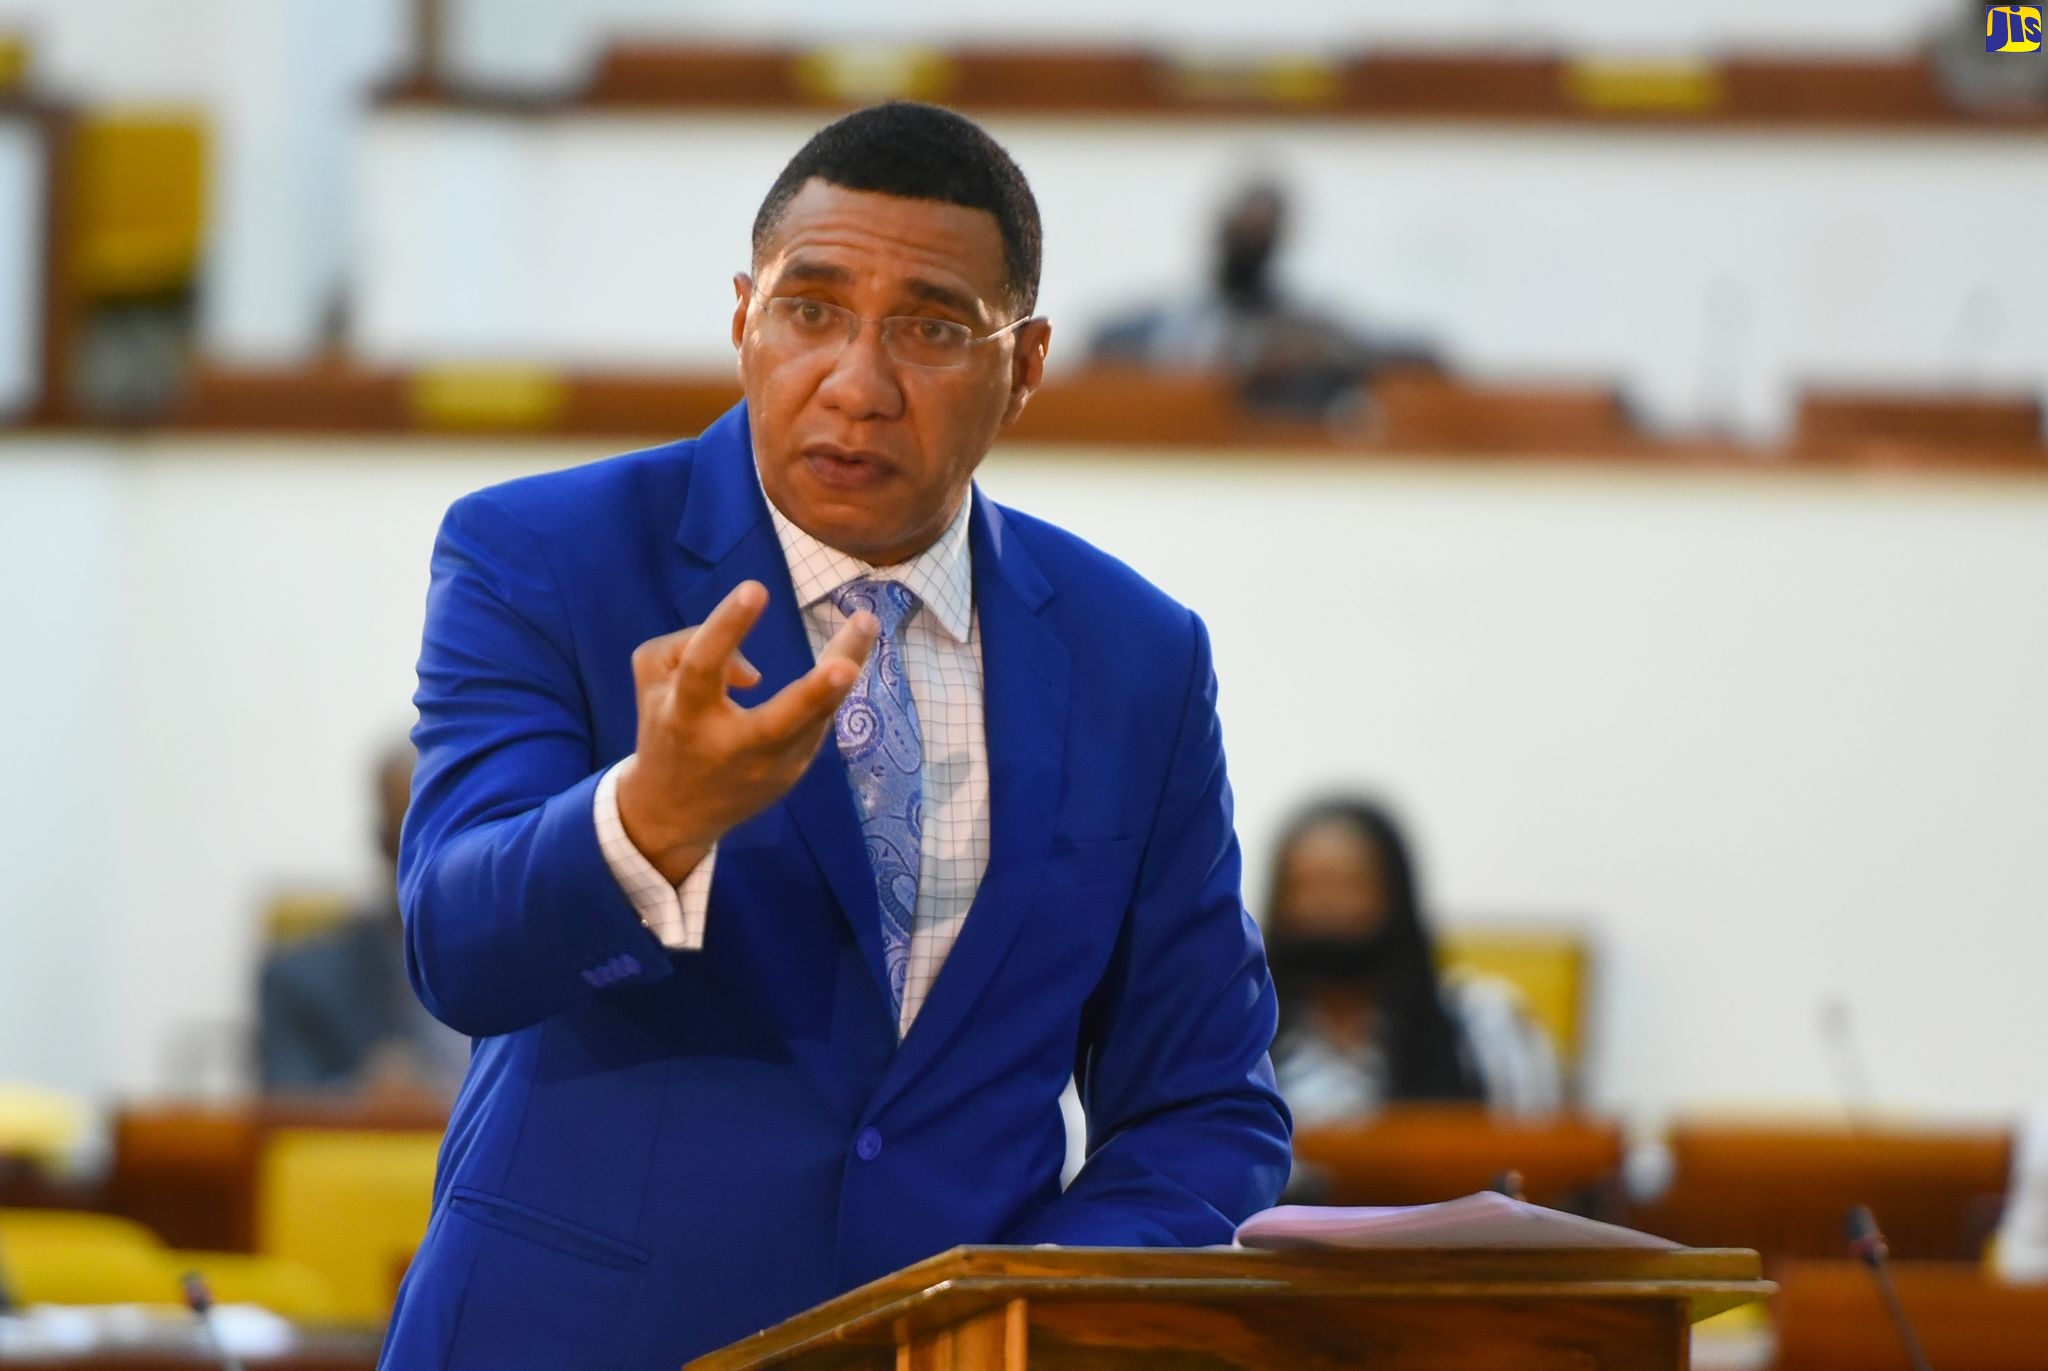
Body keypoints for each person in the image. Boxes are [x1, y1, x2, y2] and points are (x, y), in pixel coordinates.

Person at [381, 102, 1290, 1369]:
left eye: (928, 328)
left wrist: (1032, 1319)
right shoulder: (542, 555)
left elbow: (1202, 1104)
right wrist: (654, 815)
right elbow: (457, 947)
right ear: (744, 319)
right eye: (811, 310)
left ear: (1022, 367)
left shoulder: (1135, 653)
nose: (856, 385)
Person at [1263, 797, 1561, 1127]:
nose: (1324, 909)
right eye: (1303, 888)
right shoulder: (1248, 1039)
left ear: (1395, 895)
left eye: (1346, 885)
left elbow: (1535, 1148)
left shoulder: (1482, 1025)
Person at [1088, 179, 1440, 421]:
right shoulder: (1170, 322)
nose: (1248, 237)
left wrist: (1320, 352)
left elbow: (1418, 354)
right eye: (1241, 225)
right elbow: (1102, 343)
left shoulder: (1305, 329)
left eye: (1262, 230)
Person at [256, 740, 467, 1097]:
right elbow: (285, 1116)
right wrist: (359, 1096)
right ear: (383, 843)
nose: (442, 857)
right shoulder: (302, 981)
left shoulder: (549, 966)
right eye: (416, 836)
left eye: (459, 831)